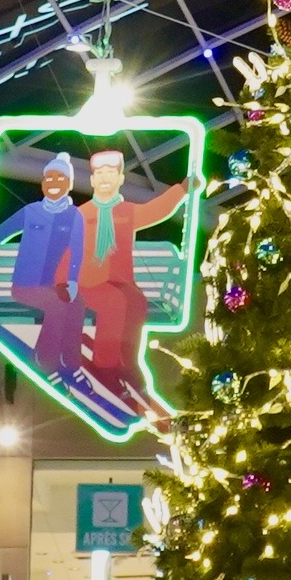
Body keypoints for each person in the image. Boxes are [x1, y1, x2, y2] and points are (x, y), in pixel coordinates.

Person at [75, 150, 190, 413]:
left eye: (111, 173)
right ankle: (104, 364)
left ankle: (127, 361)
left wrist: (181, 191)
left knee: (135, 302)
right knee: (113, 303)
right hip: (88, 282)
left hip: (120, 280)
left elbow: (156, 210)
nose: (105, 178)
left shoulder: (126, 211)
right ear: (92, 180)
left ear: (120, 178)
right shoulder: (82, 215)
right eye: (99, 174)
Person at [0, 154, 87, 384]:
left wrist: (72, 282)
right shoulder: (31, 211)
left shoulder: (73, 216)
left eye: (59, 178)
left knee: (76, 302)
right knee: (57, 304)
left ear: (69, 184)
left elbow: (77, 251)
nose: (53, 183)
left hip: (53, 284)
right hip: (25, 286)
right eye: (48, 178)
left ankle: (70, 363)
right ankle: (45, 362)